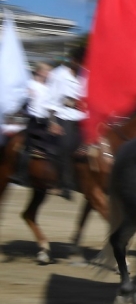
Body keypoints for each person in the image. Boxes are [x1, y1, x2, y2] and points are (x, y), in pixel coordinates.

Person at [45, 48, 86, 199]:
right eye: (81, 63)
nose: (84, 67)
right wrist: (53, 122)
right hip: (64, 117)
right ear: (74, 61)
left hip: (83, 118)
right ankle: (64, 184)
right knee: (66, 146)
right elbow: (51, 100)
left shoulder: (86, 76)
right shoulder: (59, 75)